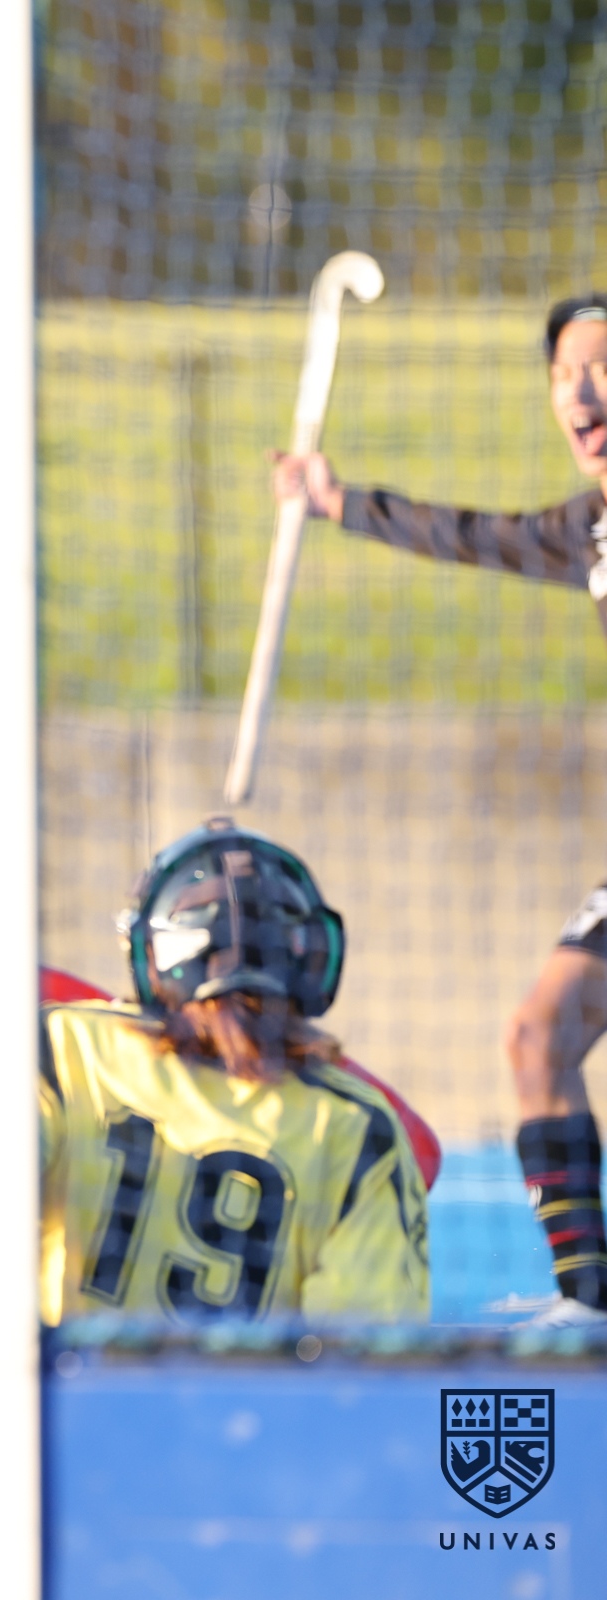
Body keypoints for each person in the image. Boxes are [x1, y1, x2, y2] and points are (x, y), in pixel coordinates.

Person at [0, 820, 430, 1527]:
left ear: (152, 953)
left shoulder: (60, 1051)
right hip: (231, 1506)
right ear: (312, 961)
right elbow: (367, 1377)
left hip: (16, 1482)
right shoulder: (358, 1128)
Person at [270, 292, 607, 1325]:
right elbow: (477, 536)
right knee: (538, 1036)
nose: (582, 396)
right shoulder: (591, 528)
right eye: (563, 375)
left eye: (601, 367)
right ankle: (591, 1308)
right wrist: (339, 502)